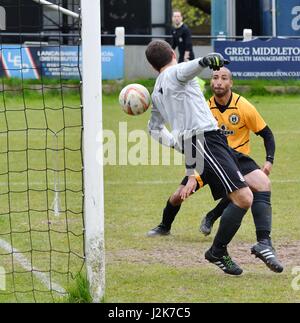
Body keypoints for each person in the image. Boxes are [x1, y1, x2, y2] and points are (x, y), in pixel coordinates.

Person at [147, 66, 283, 273]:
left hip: (234, 157)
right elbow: (188, 136)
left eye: (223, 78)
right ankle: (165, 226)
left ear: (231, 83)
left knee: (260, 184)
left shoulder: (243, 106)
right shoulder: (203, 106)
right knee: (177, 197)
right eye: (215, 78)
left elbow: (267, 133)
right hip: (207, 157)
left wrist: (269, 160)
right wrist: (191, 172)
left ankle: (263, 242)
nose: (218, 82)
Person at [145, 39, 253, 276]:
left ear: (154, 67)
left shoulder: (157, 91)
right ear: (172, 54)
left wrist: (180, 144)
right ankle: (217, 251)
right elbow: (188, 68)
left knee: (245, 187)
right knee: (244, 197)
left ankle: (217, 229)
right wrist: (205, 60)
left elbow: (153, 128)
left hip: (203, 142)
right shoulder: (175, 72)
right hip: (206, 140)